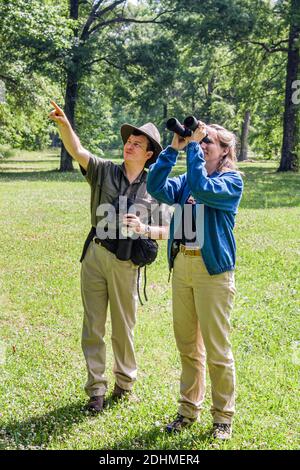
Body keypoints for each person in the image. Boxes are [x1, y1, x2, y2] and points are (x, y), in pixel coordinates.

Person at [49, 100, 167, 412]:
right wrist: (65, 126)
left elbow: (170, 229)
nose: (129, 146)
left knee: (124, 327)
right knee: (93, 326)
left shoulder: (156, 188)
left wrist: (144, 228)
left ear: (149, 154)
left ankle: (125, 383)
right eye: (128, 141)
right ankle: (96, 390)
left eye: (137, 144)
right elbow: (78, 151)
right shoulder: (104, 171)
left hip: (127, 264)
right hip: (96, 255)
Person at [147, 121, 243, 440]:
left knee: (217, 349)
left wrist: (191, 151)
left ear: (225, 150)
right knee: (188, 347)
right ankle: (188, 410)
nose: (201, 146)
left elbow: (203, 189)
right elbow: (156, 187)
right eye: (199, 141)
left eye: (208, 142)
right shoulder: (190, 175)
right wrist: (173, 149)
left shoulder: (231, 181)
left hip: (212, 272)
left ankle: (223, 417)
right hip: (183, 267)